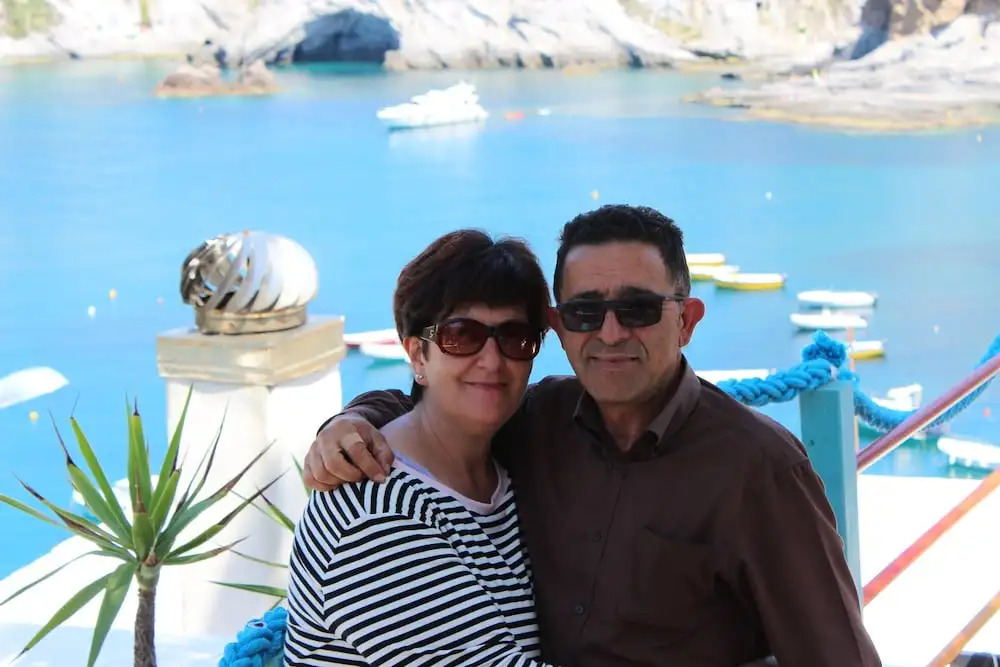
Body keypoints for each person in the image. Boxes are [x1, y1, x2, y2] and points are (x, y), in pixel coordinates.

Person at [303, 204, 882, 667]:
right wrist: (353, 422)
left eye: (638, 309)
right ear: (560, 328)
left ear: (686, 320)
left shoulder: (755, 467)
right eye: (584, 312)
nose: (609, 333)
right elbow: (433, 407)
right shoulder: (532, 426)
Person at [283, 229, 563, 666]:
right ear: (417, 355)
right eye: (461, 335)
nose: (492, 361)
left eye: (515, 338)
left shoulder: (506, 476)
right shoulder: (374, 511)